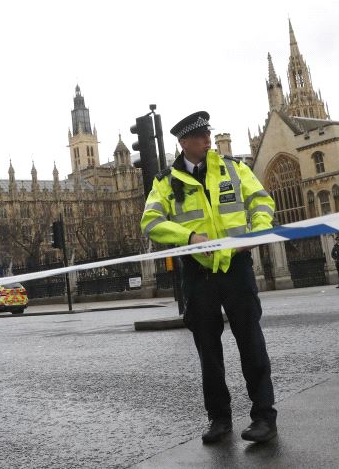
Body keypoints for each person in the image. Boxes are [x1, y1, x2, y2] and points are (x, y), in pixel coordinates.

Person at [141, 111, 278, 444]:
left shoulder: (234, 168)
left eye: (208, 134)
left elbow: (261, 201)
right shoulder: (165, 182)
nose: (207, 140)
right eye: (201, 136)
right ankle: (219, 419)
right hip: (198, 273)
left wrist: (257, 233)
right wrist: (188, 237)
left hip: (236, 267)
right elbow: (151, 222)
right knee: (208, 351)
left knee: (251, 343)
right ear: (184, 143)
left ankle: (263, 418)